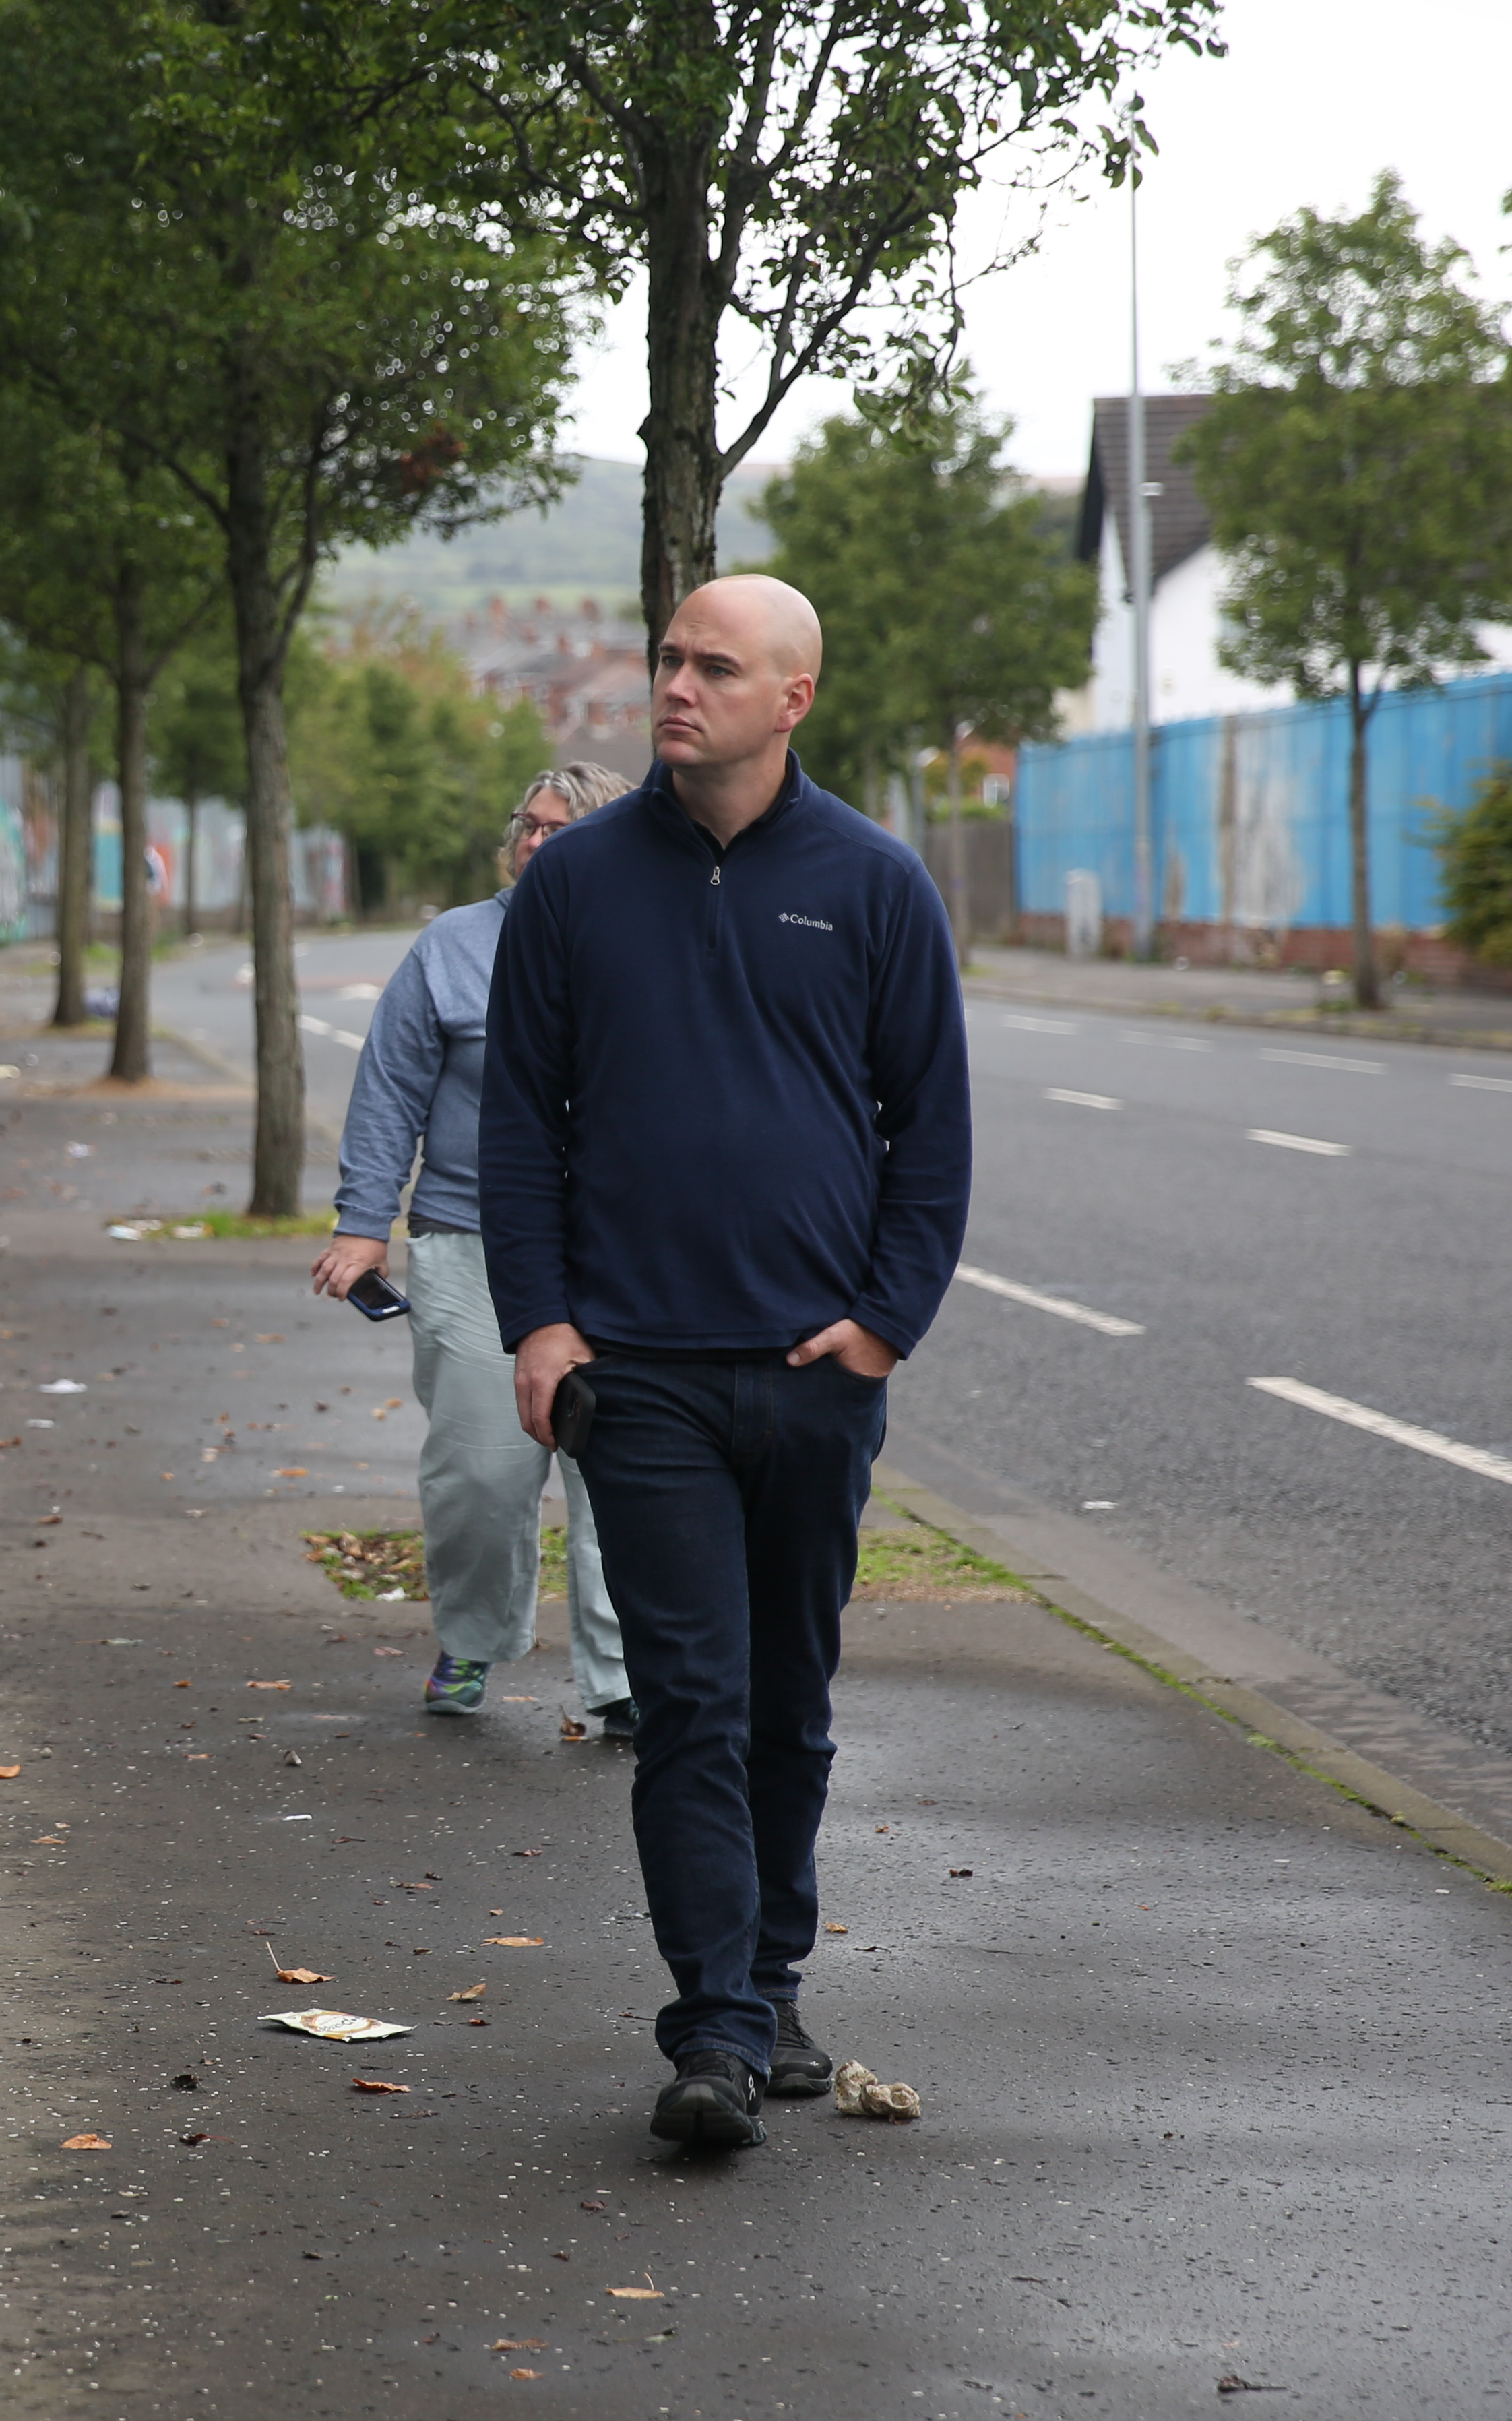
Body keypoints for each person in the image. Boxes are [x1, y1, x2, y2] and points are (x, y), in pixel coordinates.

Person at [476, 575, 970, 2153]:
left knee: (788, 1701)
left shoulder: (878, 886)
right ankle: (715, 2030)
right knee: (690, 1698)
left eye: (715, 666)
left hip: (816, 1370)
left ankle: (770, 1977)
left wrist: (885, 1324)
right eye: (669, 660)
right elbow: (518, 1130)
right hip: (648, 1375)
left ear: (793, 698)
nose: (676, 686)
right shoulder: (578, 886)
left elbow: (932, 1132)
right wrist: (540, 1321)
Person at [315, 766, 635, 1733]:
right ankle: (472, 1634)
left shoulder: (652, 943)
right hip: (469, 1242)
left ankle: (625, 1680)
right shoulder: (452, 947)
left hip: (621, 1258)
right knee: (483, 1470)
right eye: (528, 827)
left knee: (621, 1477)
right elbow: (388, 1091)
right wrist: (362, 1221)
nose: (539, 843)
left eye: (564, 829)